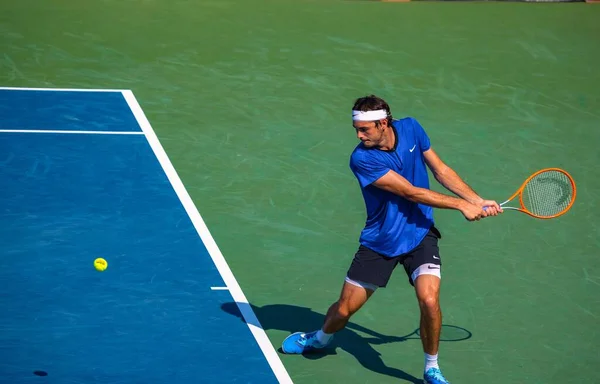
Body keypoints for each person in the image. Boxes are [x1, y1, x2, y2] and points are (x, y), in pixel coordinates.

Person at [281, 95, 502, 384]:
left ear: (383, 123)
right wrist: (461, 205)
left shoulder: (411, 128)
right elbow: (411, 191)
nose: (359, 136)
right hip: (381, 242)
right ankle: (320, 339)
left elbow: (441, 169)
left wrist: (476, 200)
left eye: (365, 130)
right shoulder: (362, 158)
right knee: (345, 309)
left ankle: (431, 369)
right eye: (356, 129)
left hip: (420, 233)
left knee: (429, 300)